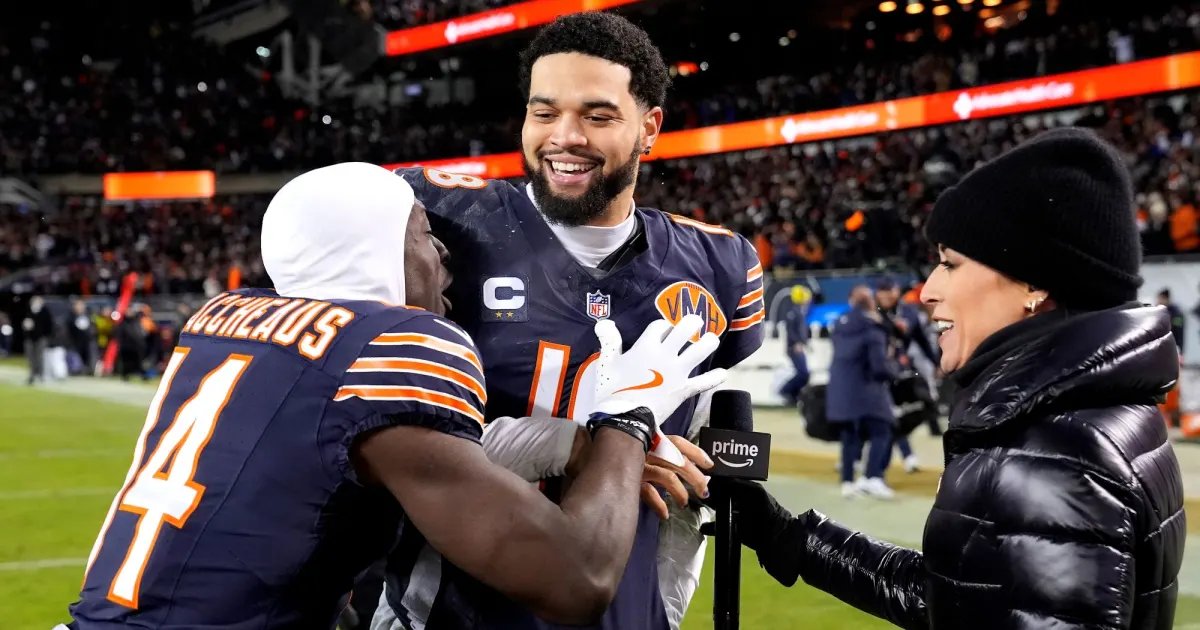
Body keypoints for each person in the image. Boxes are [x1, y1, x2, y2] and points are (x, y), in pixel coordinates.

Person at [64, 162, 728, 629]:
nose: (444, 257)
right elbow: (577, 581)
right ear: (375, 248)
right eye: (423, 235)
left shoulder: (224, 319)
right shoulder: (392, 345)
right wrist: (624, 413)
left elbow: (344, 468)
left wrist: (569, 443)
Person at [378, 12, 766, 630]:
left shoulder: (720, 264)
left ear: (649, 128)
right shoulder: (434, 218)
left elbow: (701, 444)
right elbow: (370, 428)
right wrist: (577, 441)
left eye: (598, 115)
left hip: (624, 605)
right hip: (454, 610)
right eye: (544, 111)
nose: (565, 136)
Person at [715, 128, 1185, 628]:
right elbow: (960, 597)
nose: (928, 291)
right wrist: (788, 538)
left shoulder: (1052, 452)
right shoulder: (1092, 419)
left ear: (1033, 283)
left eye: (949, 264)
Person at [826, 285, 897, 499]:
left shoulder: (839, 325)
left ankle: (847, 482)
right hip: (867, 389)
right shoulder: (873, 329)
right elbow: (879, 367)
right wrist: (897, 370)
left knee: (849, 435)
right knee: (882, 429)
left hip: (840, 388)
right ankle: (872, 477)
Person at [778, 285, 812, 406]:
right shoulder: (794, 312)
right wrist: (797, 343)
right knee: (803, 373)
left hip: (798, 346)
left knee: (804, 373)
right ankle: (785, 390)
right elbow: (791, 331)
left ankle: (793, 396)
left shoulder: (798, 311)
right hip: (795, 347)